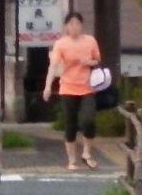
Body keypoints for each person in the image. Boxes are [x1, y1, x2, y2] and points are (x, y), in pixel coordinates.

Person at [42, 10, 103, 171]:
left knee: (88, 121)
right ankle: (71, 160)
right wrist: (48, 86)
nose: (74, 26)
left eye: (77, 23)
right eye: (71, 24)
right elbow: (53, 66)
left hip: (87, 88)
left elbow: (97, 59)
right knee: (70, 124)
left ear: (81, 25)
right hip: (67, 88)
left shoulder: (90, 41)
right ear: (66, 26)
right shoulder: (61, 44)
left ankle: (87, 152)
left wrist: (88, 61)